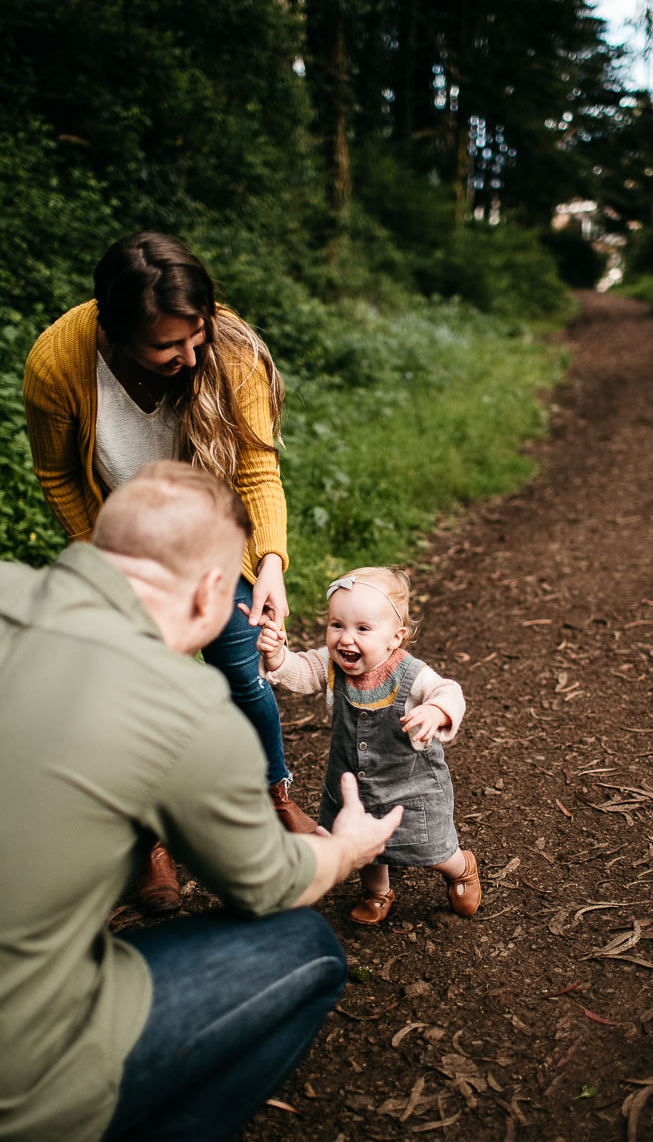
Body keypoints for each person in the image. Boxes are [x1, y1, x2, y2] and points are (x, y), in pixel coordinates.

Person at [0, 461, 402, 1142]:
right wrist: (345, 848)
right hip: (19, 1078)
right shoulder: (182, 704)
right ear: (213, 590)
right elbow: (269, 884)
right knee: (308, 947)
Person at [23, 231, 314, 911]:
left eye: (196, 334)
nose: (190, 356)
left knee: (241, 673)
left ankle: (272, 795)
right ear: (117, 330)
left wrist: (271, 563)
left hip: (216, 541)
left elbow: (256, 466)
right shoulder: (57, 364)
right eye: (167, 346)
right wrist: (107, 565)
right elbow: (58, 474)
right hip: (129, 551)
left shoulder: (229, 348)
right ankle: (149, 839)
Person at [256, 566, 481, 925]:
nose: (346, 639)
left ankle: (459, 867)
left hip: (409, 784)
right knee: (363, 842)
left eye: (362, 629)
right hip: (352, 781)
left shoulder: (411, 673)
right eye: (337, 625)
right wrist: (277, 656)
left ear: (395, 637)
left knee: (429, 843)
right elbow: (301, 671)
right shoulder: (332, 665)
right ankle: (378, 892)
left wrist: (437, 710)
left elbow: (448, 690)